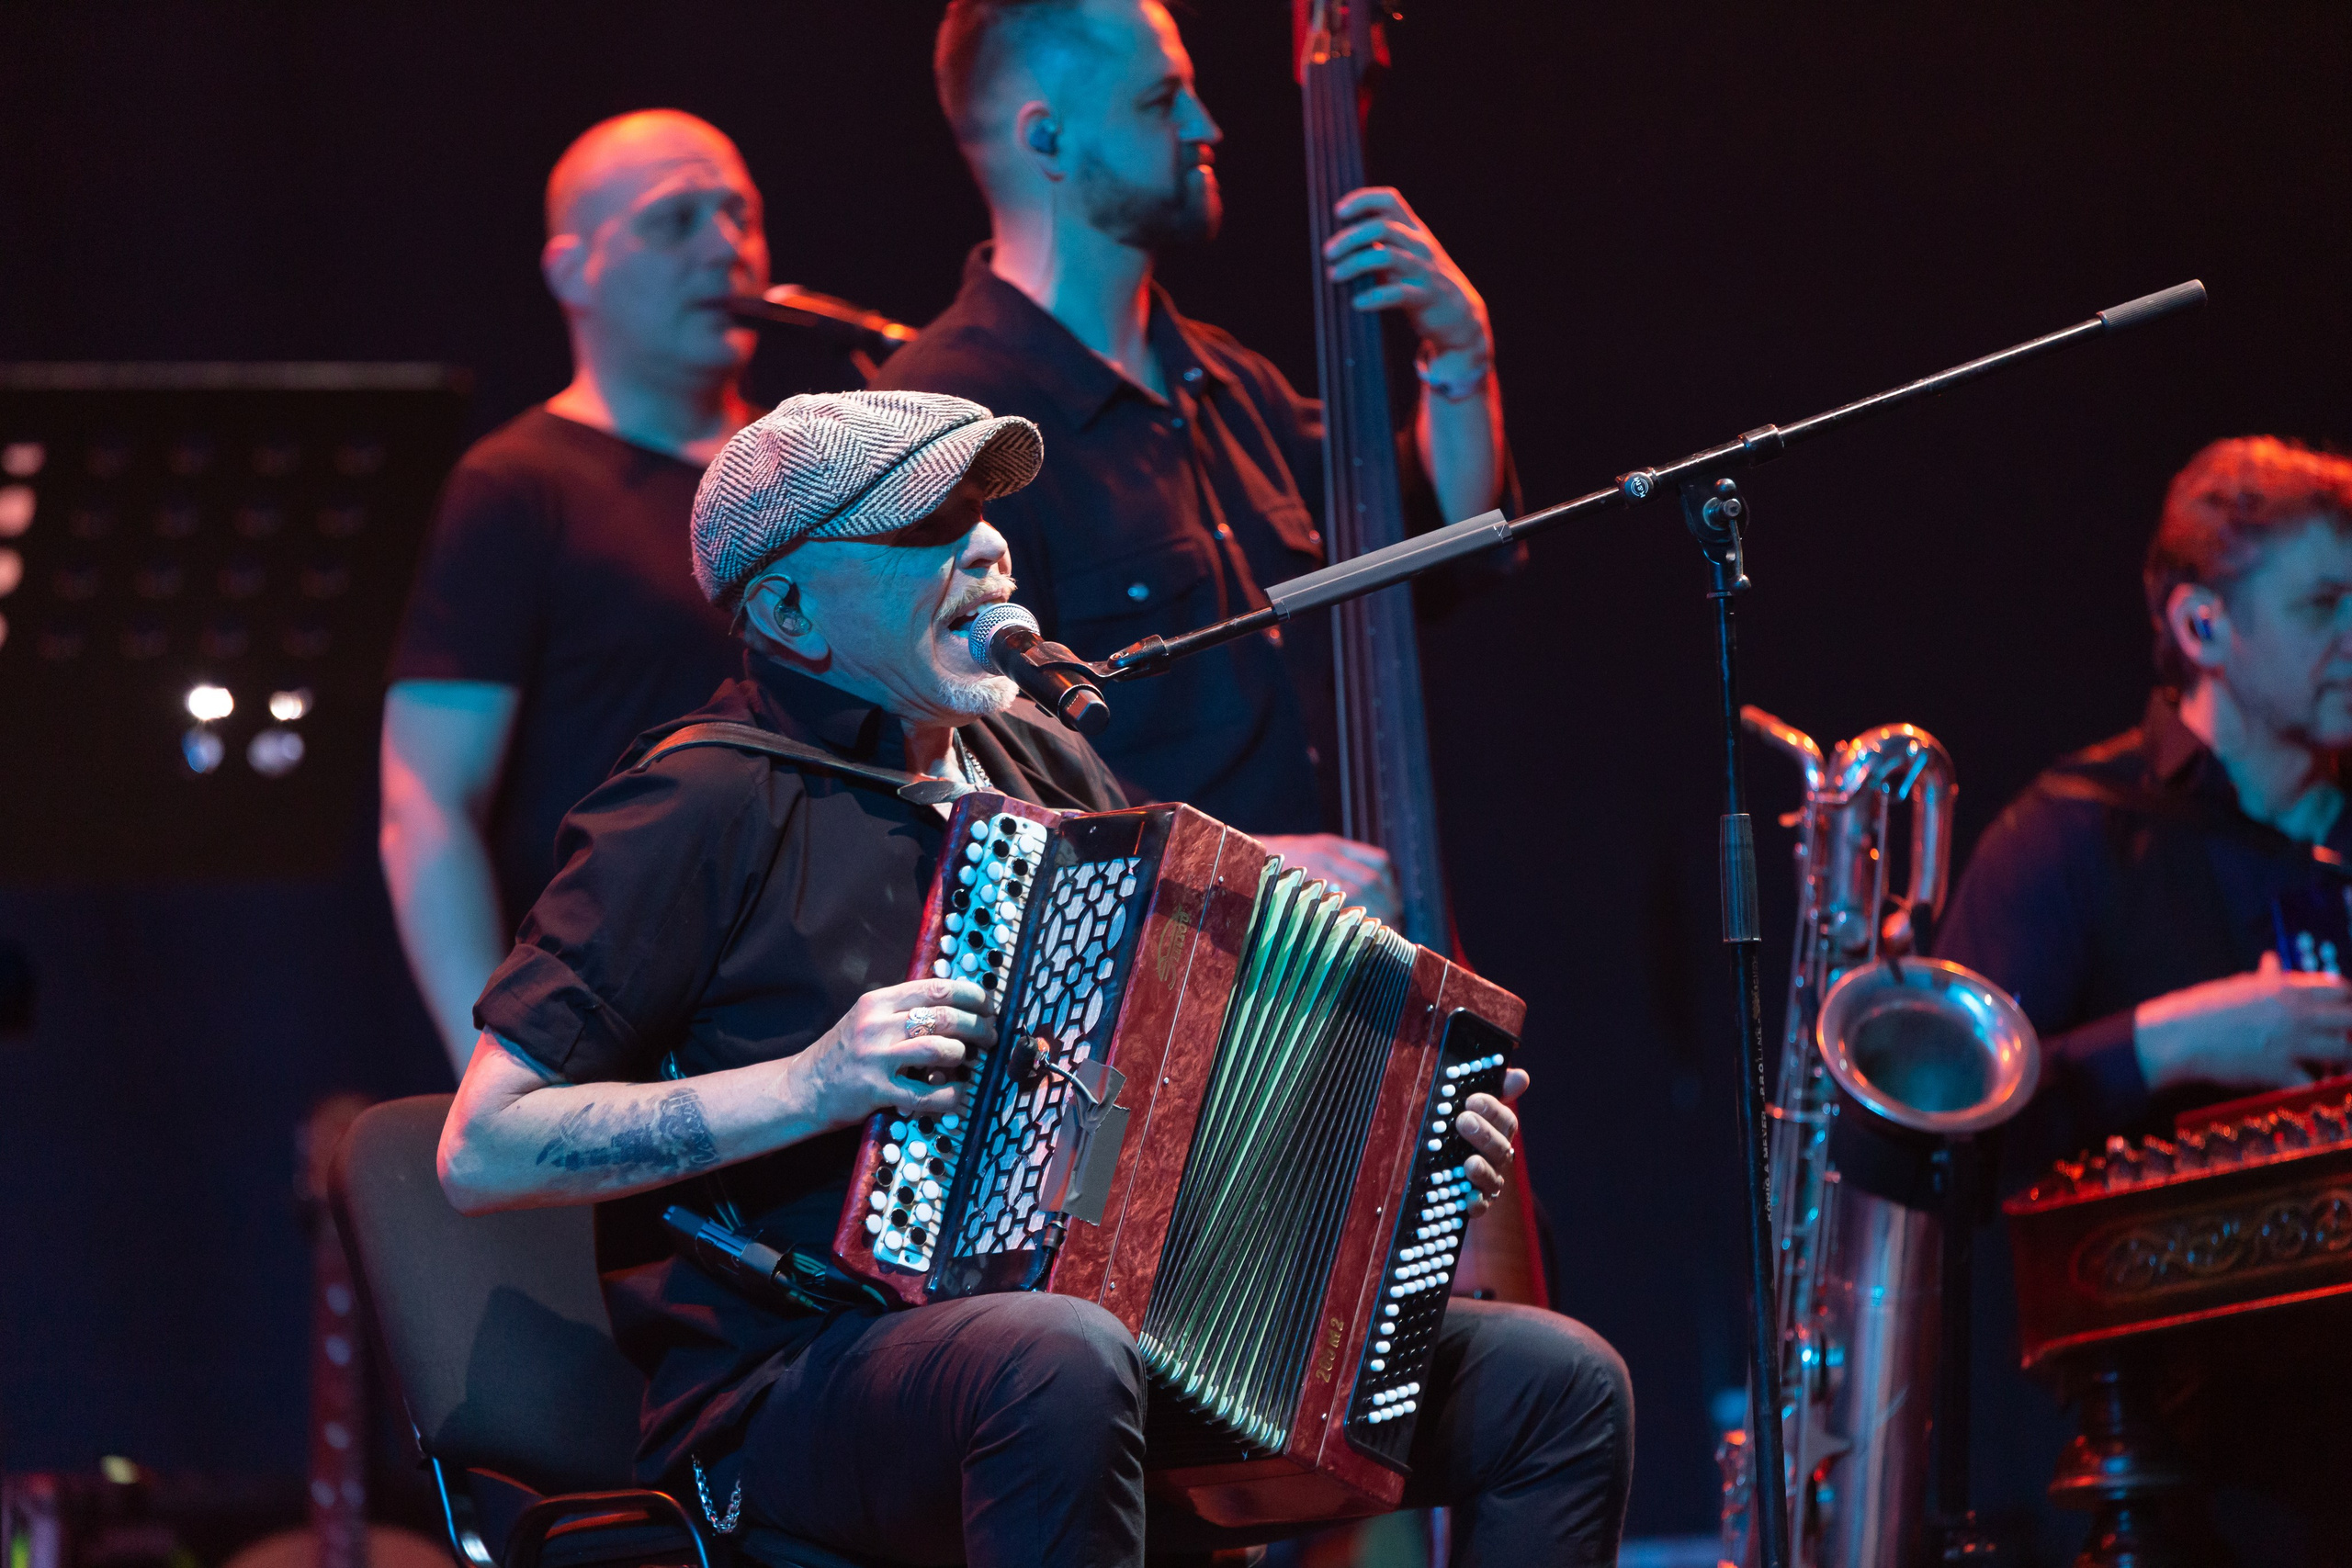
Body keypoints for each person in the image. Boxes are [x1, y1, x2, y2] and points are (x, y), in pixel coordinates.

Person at [435, 390, 1633, 1568]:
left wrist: (1400, 1141)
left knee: (1559, 1384)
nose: (991, 544)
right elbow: (484, 1145)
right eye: (928, 525)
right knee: (1054, 1355)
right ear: (792, 605)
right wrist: (813, 1081)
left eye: (988, 508)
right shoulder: (696, 802)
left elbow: (1182, 1074)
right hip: (796, 1380)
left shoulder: (1042, 758)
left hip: (1092, 1352)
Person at [871, 0, 1517, 920]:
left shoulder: (1231, 382)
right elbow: (954, 775)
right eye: (1160, 101)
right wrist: (1229, 867)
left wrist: (1461, 366)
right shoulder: (946, 425)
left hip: (1336, 970)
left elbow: (1432, 551)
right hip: (1160, 1007)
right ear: (1046, 136)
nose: (1204, 127)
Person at [1936, 436, 2352, 1562]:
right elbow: (1929, 1153)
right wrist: (2166, 1045)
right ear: (2201, 627)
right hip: (2172, 1457)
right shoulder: (2072, 834)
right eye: (2324, 605)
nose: (2351, 639)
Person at [380, 109, 767, 1075]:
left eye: (739, 214)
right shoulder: (516, 488)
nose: (724, 247)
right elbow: (425, 801)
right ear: (572, 269)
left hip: (815, 1021)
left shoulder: (804, 474)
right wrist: (496, 1072)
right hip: (628, 1043)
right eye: (673, 220)